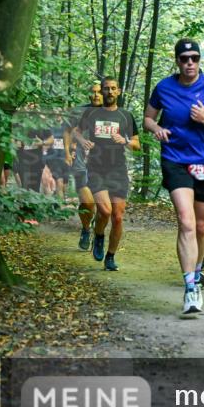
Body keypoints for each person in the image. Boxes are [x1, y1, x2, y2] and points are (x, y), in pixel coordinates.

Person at [143, 39, 204, 317]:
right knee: (185, 222)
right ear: (177, 60)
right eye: (184, 58)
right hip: (175, 160)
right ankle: (190, 287)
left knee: (200, 226)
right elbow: (147, 118)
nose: (189, 63)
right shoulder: (164, 87)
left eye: (194, 58)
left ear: (199, 60)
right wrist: (156, 129)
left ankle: (197, 271)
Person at [73, 78, 140, 271]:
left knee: (117, 217)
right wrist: (83, 142)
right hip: (96, 168)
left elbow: (136, 145)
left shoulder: (125, 116)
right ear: (101, 91)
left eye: (113, 89)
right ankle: (99, 235)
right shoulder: (91, 112)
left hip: (118, 169)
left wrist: (125, 140)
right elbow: (76, 132)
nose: (109, 92)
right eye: (106, 89)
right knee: (105, 211)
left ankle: (110, 257)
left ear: (119, 91)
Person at [66, 83, 104, 249]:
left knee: (103, 207)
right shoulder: (79, 111)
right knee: (87, 203)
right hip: (81, 163)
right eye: (93, 92)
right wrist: (68, 153)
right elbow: (68, 131)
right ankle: (86, 229)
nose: (96, 95)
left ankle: (98, 233)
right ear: (89, 94)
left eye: (99, 92)